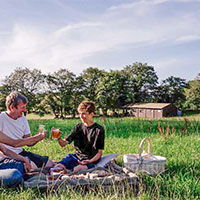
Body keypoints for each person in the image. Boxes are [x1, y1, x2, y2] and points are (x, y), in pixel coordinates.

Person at [0, 91, 54, 169]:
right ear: (12, 107)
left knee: (50, 163)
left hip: (21, 152)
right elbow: (14, 143)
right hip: (6, 155)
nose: (25, 110)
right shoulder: (1, 118)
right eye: (22, 107)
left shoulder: (23, 118)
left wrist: (39, 138)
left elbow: (28, 143)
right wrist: (36, 138)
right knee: (33, 166)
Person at [52, 101, 105, 173]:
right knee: (57, 167)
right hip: (76, 157)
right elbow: (63, 144)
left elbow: (99, 153)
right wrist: (58, 138)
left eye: (84, 114)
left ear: (91, 114)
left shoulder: (99, 130)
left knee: (77, 170)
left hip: (91, 160)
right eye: (80, 114)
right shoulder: (78, 127)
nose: (81, 117)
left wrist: (89, 161)